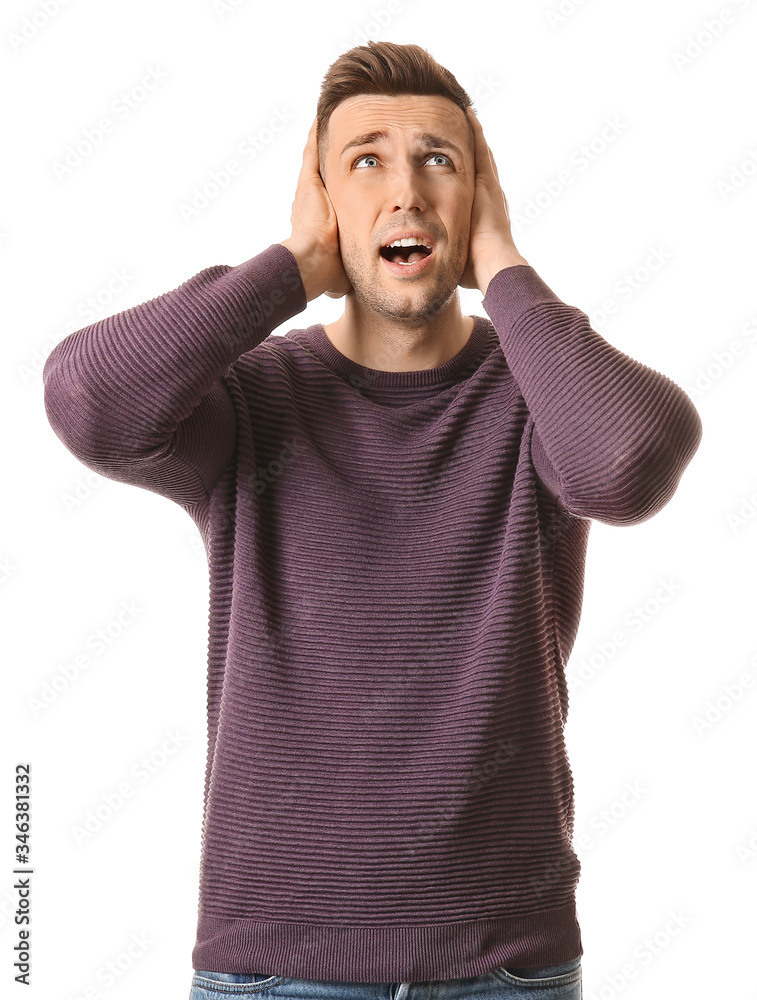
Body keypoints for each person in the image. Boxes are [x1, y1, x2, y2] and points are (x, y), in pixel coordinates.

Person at [42, 40, 702, 1000]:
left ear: (478, 196)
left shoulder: (540, 399)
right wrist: (290, 268)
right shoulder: (249, 399)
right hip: (275, 974)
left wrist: (503, 265)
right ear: (320, 196)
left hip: (506, 972)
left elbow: (632, 461)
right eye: (366, 161)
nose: (406, 191)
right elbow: (88, 403)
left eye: (439, 159)